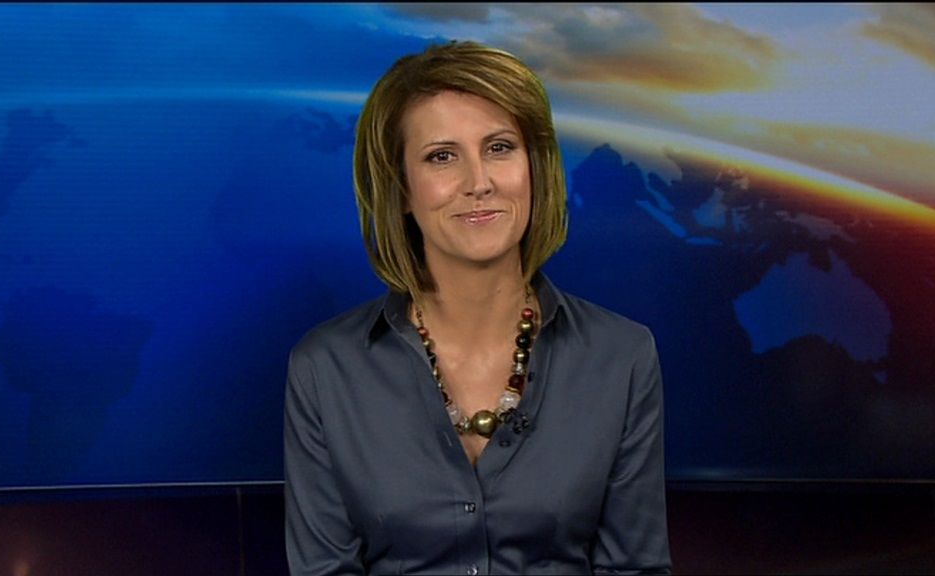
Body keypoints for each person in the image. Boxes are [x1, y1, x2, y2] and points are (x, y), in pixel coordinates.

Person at [284, 40, 672, 575]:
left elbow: (635, 568)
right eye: (442, 157)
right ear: (401, 188)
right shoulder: (326, 369)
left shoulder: (621, 356)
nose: (479, 183)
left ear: (534, 168)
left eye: (499, 148)